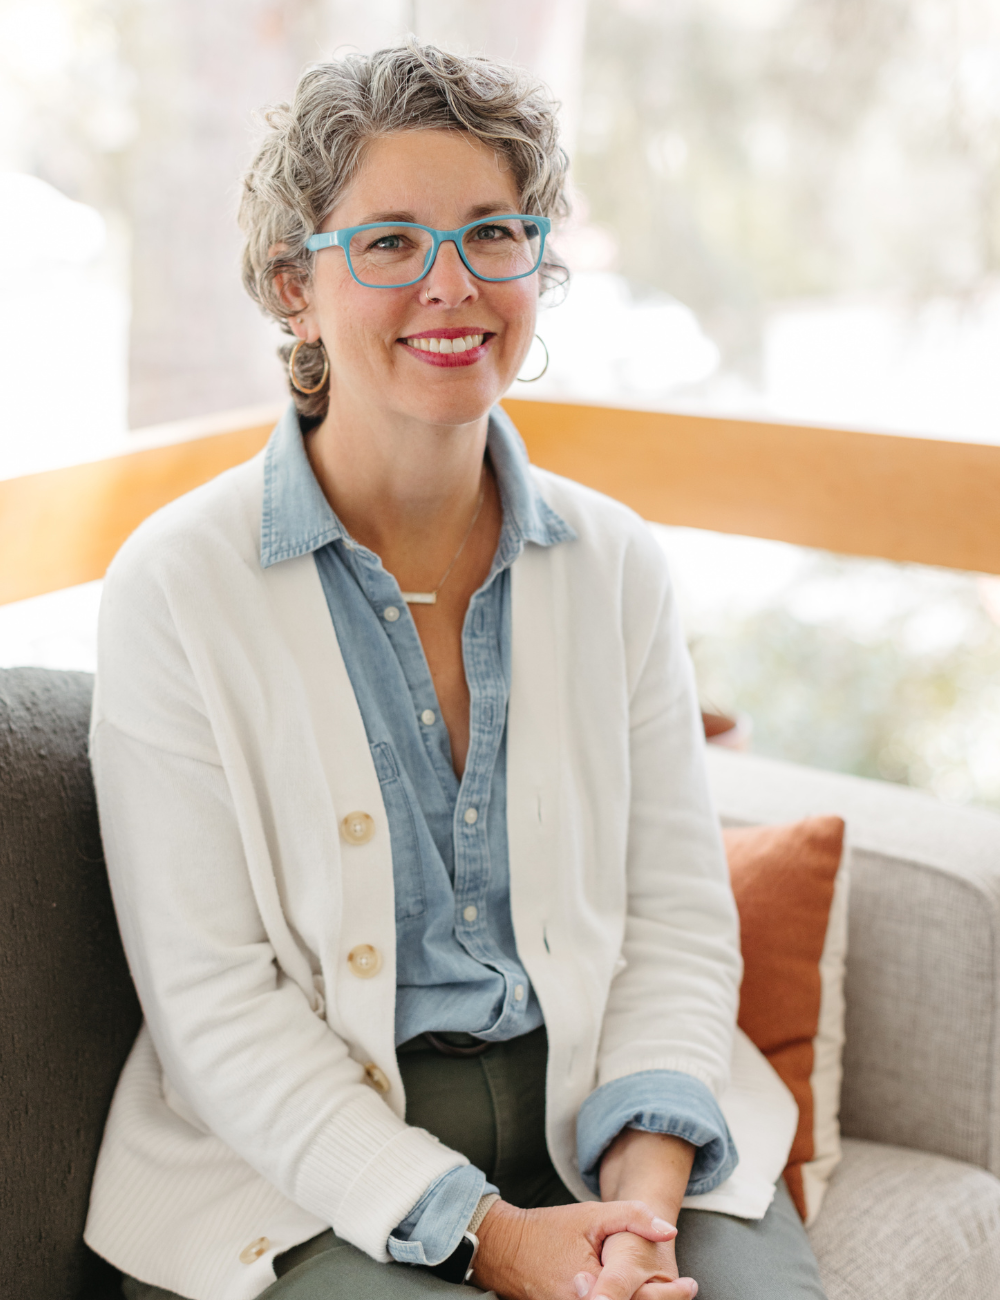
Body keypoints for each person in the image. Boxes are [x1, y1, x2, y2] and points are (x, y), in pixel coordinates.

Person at [83, 42, 827, 1300]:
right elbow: (217, 1012)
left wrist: (639, 1218)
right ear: (292, 288)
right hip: (298, 1161)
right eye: (387, 243)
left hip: (609, 1108)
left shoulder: (616, 563)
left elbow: (676, 923)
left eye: (492, 233)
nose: (453, 284)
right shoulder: (174, 586)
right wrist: (498, 1236)